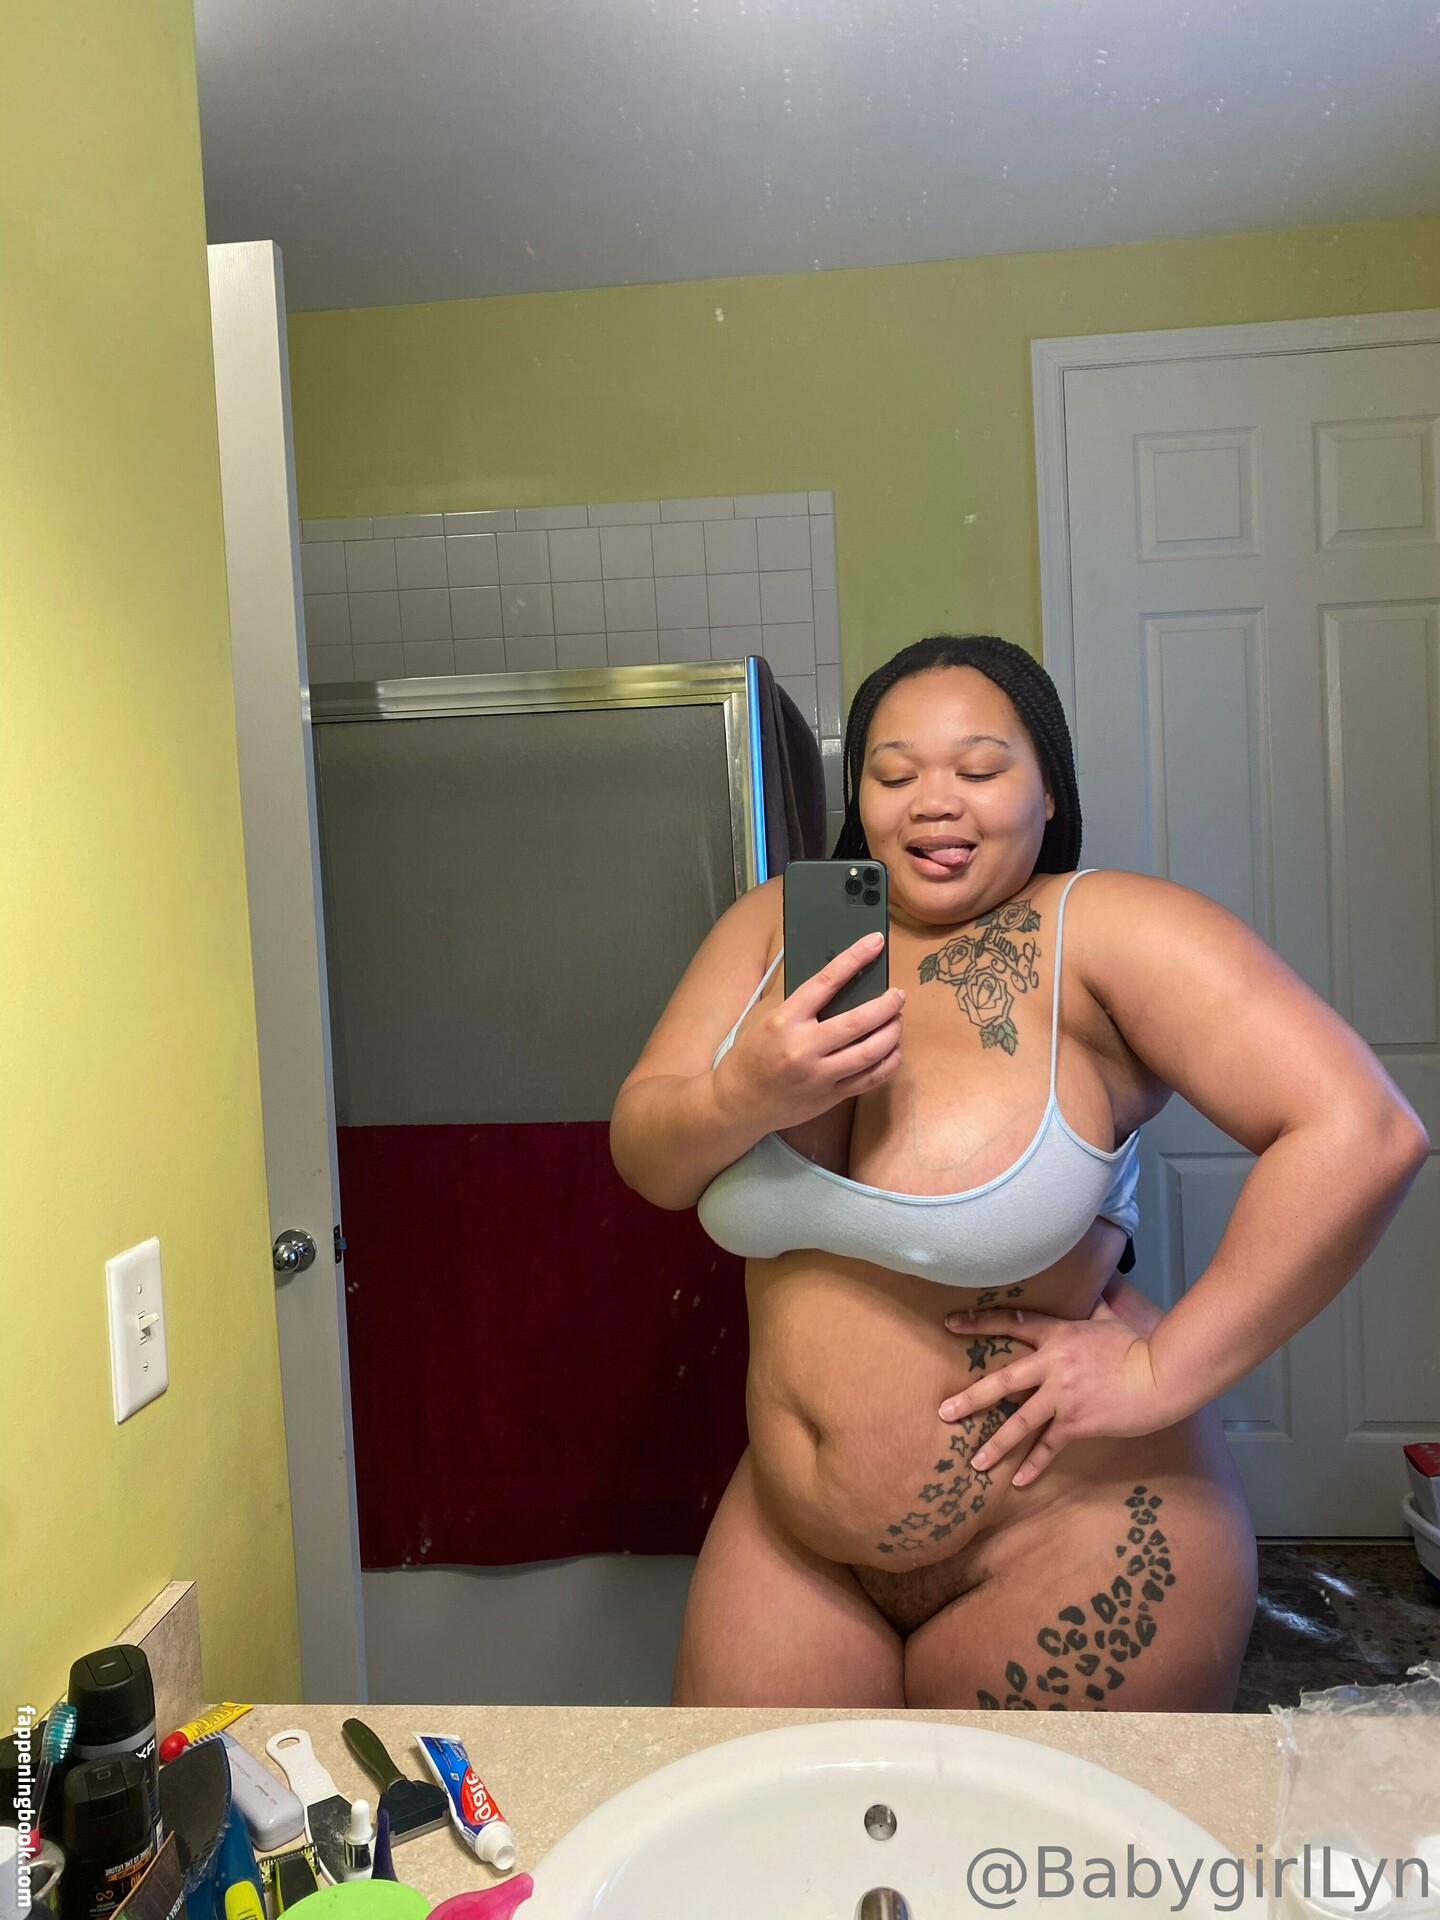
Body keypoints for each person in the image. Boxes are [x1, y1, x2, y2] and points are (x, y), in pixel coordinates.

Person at [609, 635, 1428, 1710]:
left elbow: (1361, 1131)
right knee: (752, 1825)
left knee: (1041, 1833)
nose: (933, 802)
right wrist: (743, 1095)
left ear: (1048, 790)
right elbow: (650, 1159)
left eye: (980, 768)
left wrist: (1158, 1371)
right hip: (790, 1547)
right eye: (893, 773)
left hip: (1069, 1534)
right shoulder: (781, 927)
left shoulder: (1106, 930)